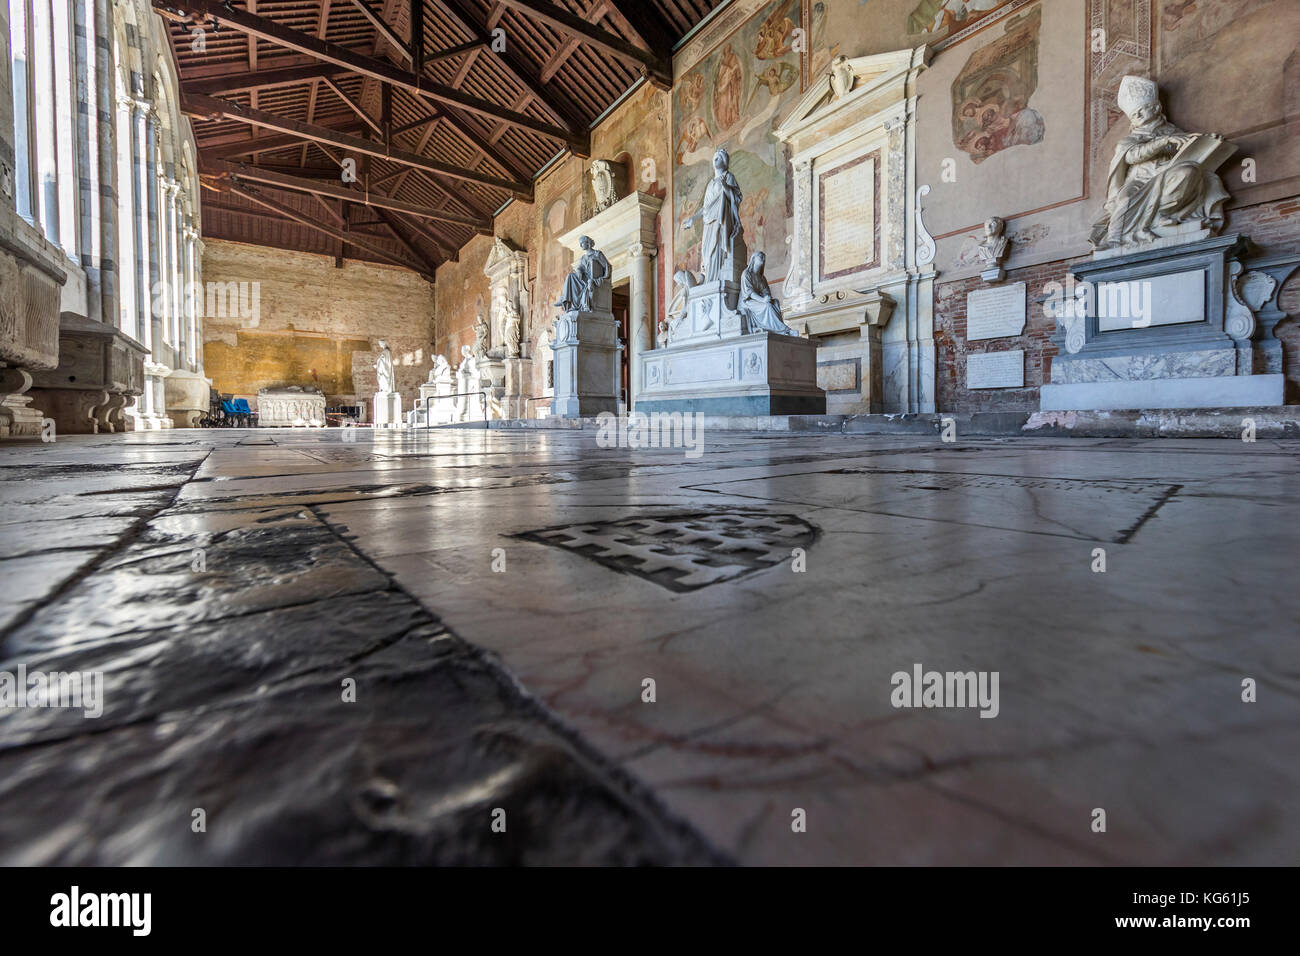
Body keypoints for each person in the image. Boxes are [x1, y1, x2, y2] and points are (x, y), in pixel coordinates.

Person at [682, 147, 743, 284]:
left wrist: (726, 186)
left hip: (722, 220)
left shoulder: (728, 177)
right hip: (708, 222)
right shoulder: (710, 184)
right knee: (706, 252)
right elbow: (706, 207)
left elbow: (737, 198)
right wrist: (693, 218)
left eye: (719, 157)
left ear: (724, 161)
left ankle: (716, 280)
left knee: (717, 249)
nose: (715, 159)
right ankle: (708, 279)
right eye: (714, 157)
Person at [739, 252, 798, 336]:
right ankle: (784, 330)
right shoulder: (746, 274)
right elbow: (749, 292)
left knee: (776, 303)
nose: (762, 258)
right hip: (748, 301)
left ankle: (777, 329)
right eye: (760, 257)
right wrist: (763, 300)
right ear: (753, 259)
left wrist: (767, 297)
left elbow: (765, 290)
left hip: (758, 299)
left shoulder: (762, 277)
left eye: (763, 257)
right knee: (767, 306)